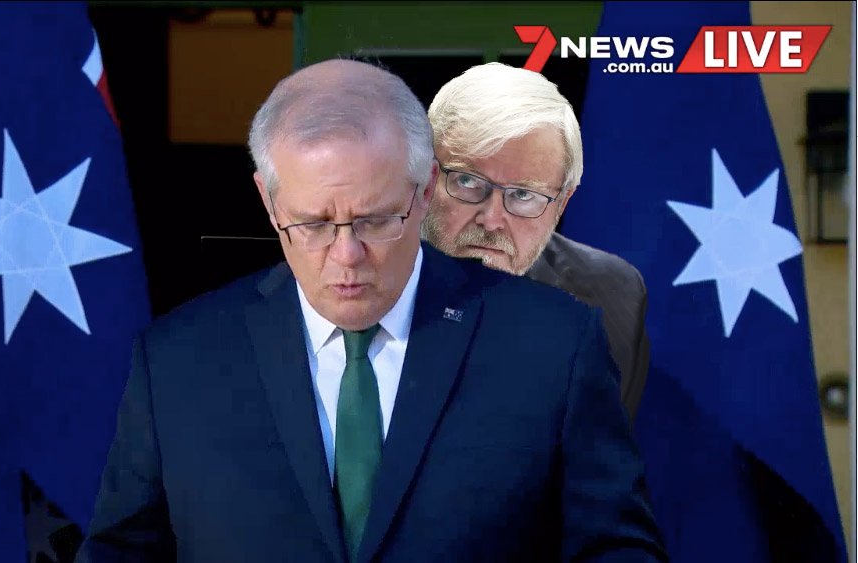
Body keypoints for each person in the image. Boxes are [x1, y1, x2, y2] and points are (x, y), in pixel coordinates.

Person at [77, 59, 666, 562]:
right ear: (268, 200)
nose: (347, 255)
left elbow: (616, 549)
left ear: (425, 189)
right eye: (313, 224)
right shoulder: (177, 361)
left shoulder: (554, 344)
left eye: (377, 220)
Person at [421, 62, 650, 421]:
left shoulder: (611, 294)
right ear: (425, 177)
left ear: (562, 204)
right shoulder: (356, 271)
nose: (492, 220)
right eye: (467, 181)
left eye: (524, 195)